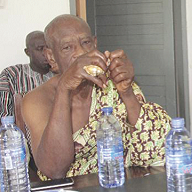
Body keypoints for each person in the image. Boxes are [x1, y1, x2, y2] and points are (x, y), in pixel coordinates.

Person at [23, 15, 171, 180]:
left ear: (95, 44)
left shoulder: (111, 82)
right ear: (51, 56)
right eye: (67, 48)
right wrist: (64, 89)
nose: (80, 53)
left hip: (121, 184)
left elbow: (154, 149)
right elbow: (54, 171)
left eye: (85, 43)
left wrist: (126, 91)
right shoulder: (36, 100)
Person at [0, 31, 53, 118]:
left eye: (48, 48)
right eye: (40, 49)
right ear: (27, 52)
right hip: (20, 131)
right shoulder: (10, 75)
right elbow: (4, 118)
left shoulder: (60, 75)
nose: (46, 53)